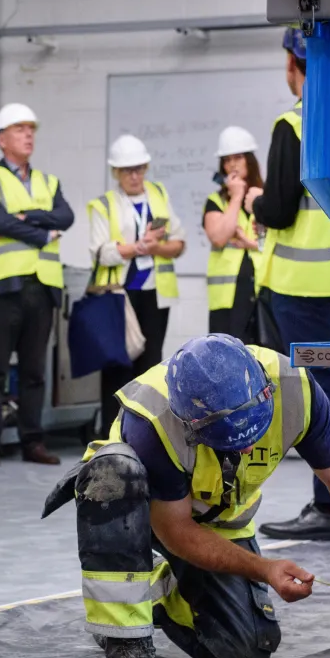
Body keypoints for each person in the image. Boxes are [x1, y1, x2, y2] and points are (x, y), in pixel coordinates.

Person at [42, 334, 330, 658]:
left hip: (219, 522)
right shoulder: (152, 421)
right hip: (144, 513)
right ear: (191, 422)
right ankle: (127, 647)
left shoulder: (296, 389)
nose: (249, 448)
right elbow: (175, 530)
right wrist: (264, 568)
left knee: (244, 651)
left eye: (255, 430)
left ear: (265, 392)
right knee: (114, 472)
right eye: (232, 442)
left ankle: (155, 593)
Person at [251, 28, 330, 541]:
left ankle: (327, 505)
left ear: (294, 64)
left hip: (301, 282)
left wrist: (253, 200)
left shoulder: (293, 122)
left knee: (316, 392)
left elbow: (278, 208)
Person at [0, 102, 74, 467]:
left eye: (31, 129)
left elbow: (66, 216)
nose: (28, 135)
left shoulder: (49, 182)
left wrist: (28, 216)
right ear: (1, 139)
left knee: (34, 370)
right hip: (2, 286)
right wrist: (44, 233)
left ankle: (33, 440)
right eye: (19, 129)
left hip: (42, 287)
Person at [87, 134, 187, 437]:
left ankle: (143, 437)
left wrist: (153, 247)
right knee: (118, 369)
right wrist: (139, 245)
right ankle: (111, 437)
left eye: (139, 168)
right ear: (116, 172)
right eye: (127, 170)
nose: (134, 175)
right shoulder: (103, 204)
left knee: (150, 369)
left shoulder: (158, 194)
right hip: (119, 295)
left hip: (154, 295)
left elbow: (179, 243)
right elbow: (102, 252)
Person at [205, 126, 265, 346]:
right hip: (228, 297)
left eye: (238, 157)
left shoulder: (264, 196)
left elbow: (277, 241)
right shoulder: (216, 201)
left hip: (263, 290)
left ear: (250, 160)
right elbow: (219, 236)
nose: (232, 164)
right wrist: (236, 195)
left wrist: (250, 243)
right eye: (226, 159)